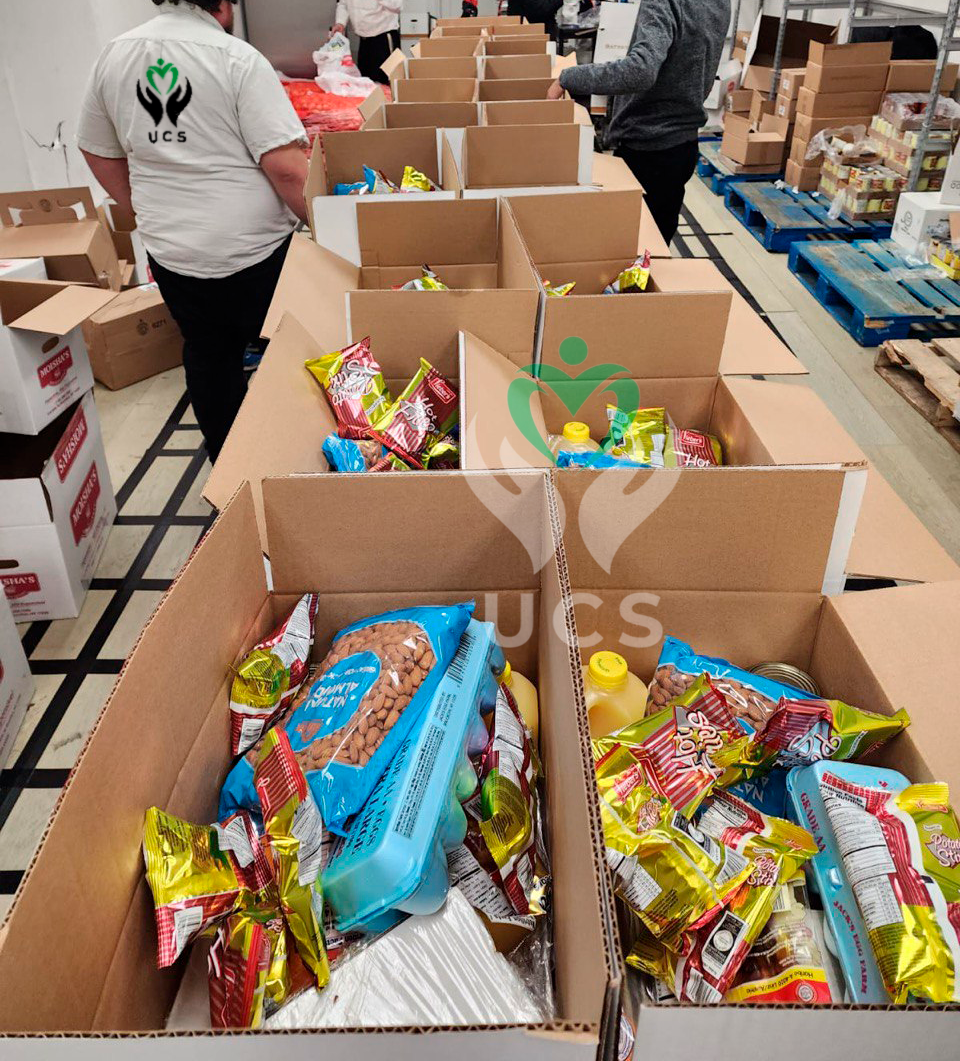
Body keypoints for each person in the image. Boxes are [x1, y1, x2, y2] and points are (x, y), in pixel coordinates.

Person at [78, 0, 308, 463]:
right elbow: (287, 169)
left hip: (173, 254)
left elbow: (98, 151)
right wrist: (327, 231)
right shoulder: (235, 58)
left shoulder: (114, 55)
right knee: (288, 353)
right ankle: (295, 459)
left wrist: (145, 209)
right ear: (223, 5)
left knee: (208, 356)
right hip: (255, 254)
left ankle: (231, 469)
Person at [548, 0, 729, 244]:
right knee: (653, 248)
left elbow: (640, 71)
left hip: (648, 147)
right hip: (682, 143)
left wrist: (569, 78)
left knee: (629, 249)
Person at [330, 0, 402, 85]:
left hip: (383, 37)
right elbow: (343, 4)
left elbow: (397, 6)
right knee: (366, 83)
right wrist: (340, 23)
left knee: (387, 82)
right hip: (364, 40)